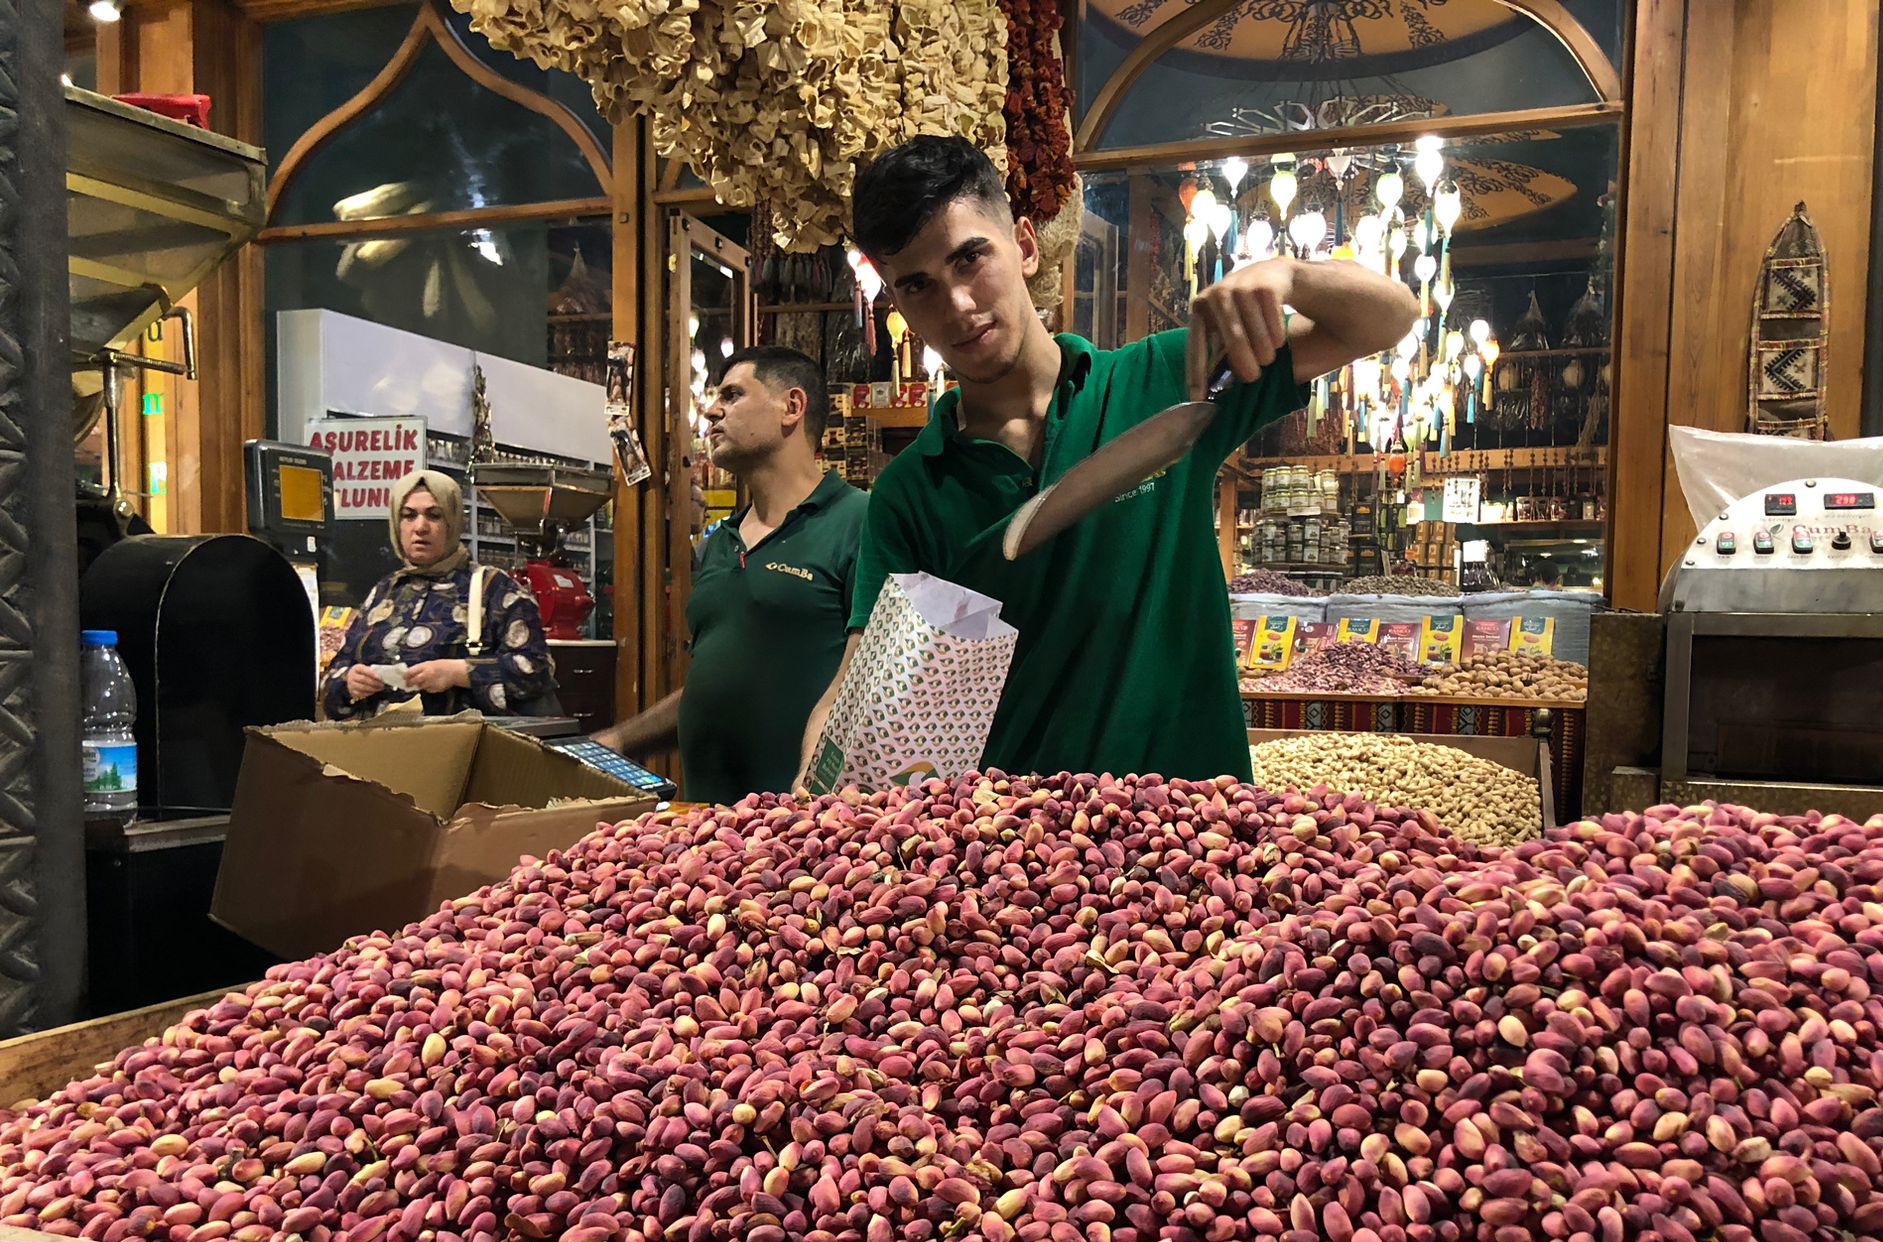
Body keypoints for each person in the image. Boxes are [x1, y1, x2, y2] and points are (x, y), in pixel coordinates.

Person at [798, 135, 1417, 786]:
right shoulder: (911, 488)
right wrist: (808, 798)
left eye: (970, 259)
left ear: (1027, 247)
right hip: (1019, 855)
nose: (956, 304)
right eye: (918, 285)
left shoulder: (1164, 380)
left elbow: (1388, 320)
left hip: (1198, 841)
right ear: (897, 305)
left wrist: (1290, 276)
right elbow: (863, 677)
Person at [597, 347, 866, 803]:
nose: (712, 409)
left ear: (792, 407)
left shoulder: (861, 521)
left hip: (807, 840)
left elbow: (872, 686)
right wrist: (619, 742)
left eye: (733, 395)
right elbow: (713, 687)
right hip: (709, 845)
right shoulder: (722, 542)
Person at [322, 469, 557, 719]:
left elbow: (538, 670)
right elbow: (336, 671)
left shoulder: (494, 590)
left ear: (452, 523)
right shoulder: (385, 591)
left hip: (465, 751)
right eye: (408, 516)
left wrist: (459, 672)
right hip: (379, 751)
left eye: (434, 515)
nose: (420, 527)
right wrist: (349, 682)